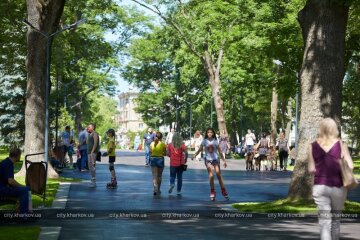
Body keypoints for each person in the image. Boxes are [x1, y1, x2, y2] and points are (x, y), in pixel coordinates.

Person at [308, 118, 353, 240]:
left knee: (324, 222)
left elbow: (311, 169)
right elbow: (351, 166)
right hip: (338, 186)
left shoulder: (312, 146)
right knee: (336, 221)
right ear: (335, 129)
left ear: (320, 129)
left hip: (320, 186)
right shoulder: (341, 145)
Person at [191, 128, 229, 201]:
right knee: (211, 175)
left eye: (211, 132)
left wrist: (224, 160)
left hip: (215, 160)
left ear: (213, 133)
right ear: (206, 133)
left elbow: (220, 151)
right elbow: (200, 149)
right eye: (208, 132)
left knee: (218, 174)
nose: (209, 133)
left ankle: (223, 190)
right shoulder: (204, 141)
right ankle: (212, 191)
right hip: (208, 160)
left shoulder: (215, 141)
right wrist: (194, 155)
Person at [0, 148, 32, 214]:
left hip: (4, 187)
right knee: (25, 190)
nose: (20, 157)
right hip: (2, 190)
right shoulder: (8, 164)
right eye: (20, 155)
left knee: (26, 189)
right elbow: (10, 181)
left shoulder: (7, 162)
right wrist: (21, 186)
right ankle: (24, 215)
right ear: (17, 155)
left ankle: (26, 211)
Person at [87, 123, 100, 188]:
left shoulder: (95, 134)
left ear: (93, 128)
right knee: (90, 167)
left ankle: (94, 181)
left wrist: (92, 152)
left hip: (93, 153)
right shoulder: (90, 134)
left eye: (89, 127)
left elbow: (95, 143)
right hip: (89, 152)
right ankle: (92, 180)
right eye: (87, 127)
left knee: (92, 166)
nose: (88, 128)